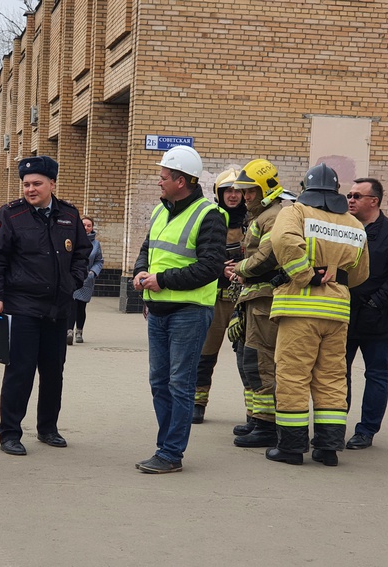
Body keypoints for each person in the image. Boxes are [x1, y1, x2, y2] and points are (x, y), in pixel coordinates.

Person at [0, 155, 91, 456]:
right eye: (26, 184)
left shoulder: (69, 215)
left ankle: (48, 428)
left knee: (53, 372)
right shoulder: (10, 215)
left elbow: (82, 253)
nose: (30, 189)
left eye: (37, 184)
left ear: (52, 184)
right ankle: (9, 433)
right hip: (22, 307)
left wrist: (73, 281)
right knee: (20, 372)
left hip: (58, 307)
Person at [266, 163, 369, 467]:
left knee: (293, 376)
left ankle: (291, 447)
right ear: (337, 191)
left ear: (304, 188)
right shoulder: (354, 224)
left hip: (300, 310)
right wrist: (334, 277)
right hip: (337, 312)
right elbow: (360, 273)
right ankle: (328, 448)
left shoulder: (295, 212)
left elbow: (283, 241)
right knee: (332, 378)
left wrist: (305, 275)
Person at [132, 145, 227, 474]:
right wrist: (140, 273)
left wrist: (162, 280)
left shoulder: (209, 215)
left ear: (182, 181)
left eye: (164, 177)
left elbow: (210, 267)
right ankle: (165, 447)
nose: (159, 182)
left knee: (179, 384)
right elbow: (148, 249)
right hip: (158, 309)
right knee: (159, 382)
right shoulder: (160, 211)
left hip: (189, 311)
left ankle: (171, 453)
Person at [343, 178, 388, 450]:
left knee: (376, 376)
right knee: (337, 374)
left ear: (374, 201)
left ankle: (366, 430)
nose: (350, 200)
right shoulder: (343, 228)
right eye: (349, 195)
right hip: (343, 315)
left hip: (377, 319)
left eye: (357, 196)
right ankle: (333, 426)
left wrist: (375, 303)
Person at [226, 159, 291, 448]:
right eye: (244, 191)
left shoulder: (274, 216)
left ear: (266, 189)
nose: (245, 196)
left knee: (261, 360)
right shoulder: (260, 216)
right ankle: (255, 417)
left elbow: (268, 256)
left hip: (265, 299)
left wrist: (239, 269)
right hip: (252, 297)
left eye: (250, 191)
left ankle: (266, 425)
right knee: (247, 359)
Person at [191, 167, 246, 424]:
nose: (233, 195)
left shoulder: (253, 222)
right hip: (215, 297)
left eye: (237, 191)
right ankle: (197, 402)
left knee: (249, 355)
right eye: (228, 191)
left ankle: (256, 412)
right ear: (219, 193)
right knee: (205, 353)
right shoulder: (210, 219)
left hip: (244, 298)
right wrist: (218, 268)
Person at [67, 215, 104, 345]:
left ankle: (79, 331)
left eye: (89, 226)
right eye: (83, 225)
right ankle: (69, 331)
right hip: (73, 277)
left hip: (87, 279)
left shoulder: (96, 244)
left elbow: (99, 261)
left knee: (81, 306)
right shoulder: (72, 240)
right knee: (71, 304)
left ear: (92, 228)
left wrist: (93, 272)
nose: (86, 228)